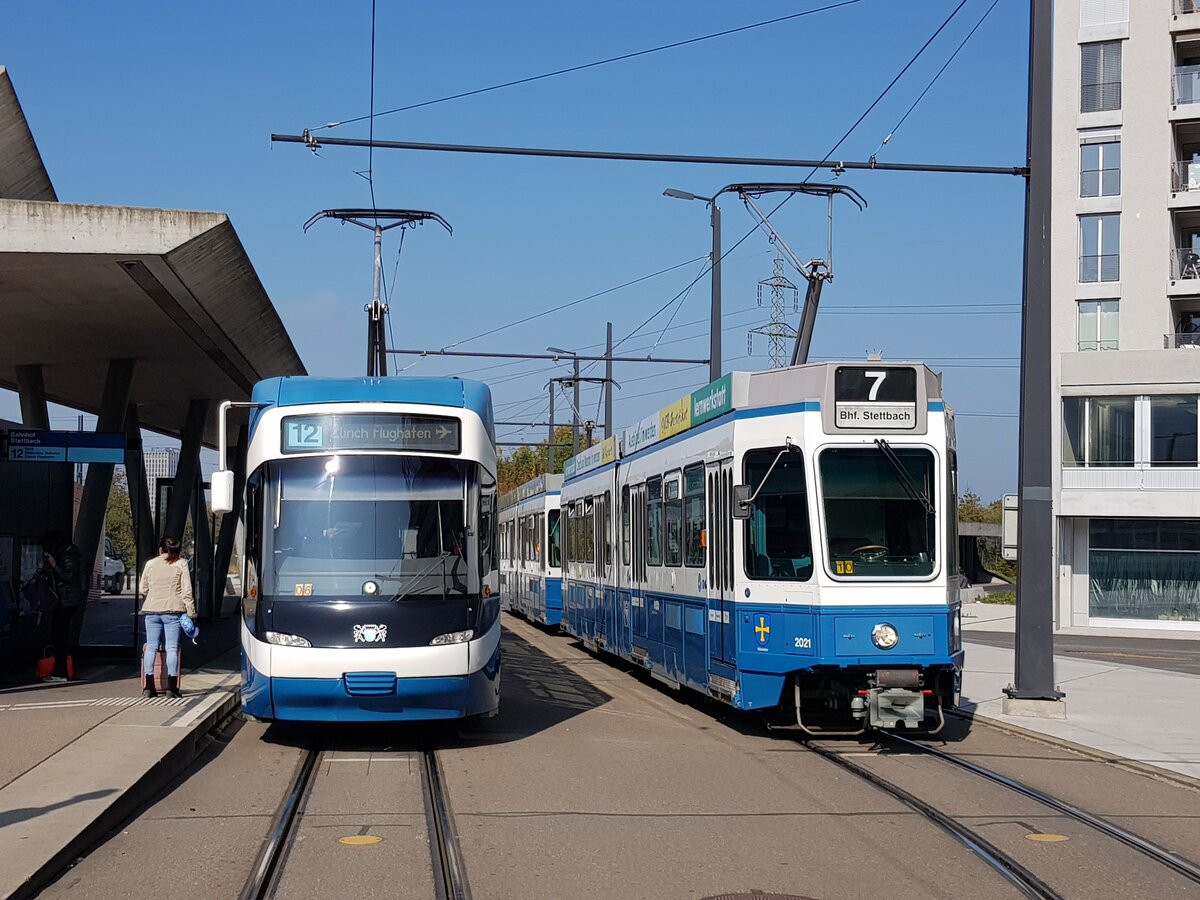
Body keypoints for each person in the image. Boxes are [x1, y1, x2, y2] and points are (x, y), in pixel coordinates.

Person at [139, 536, 197, 699]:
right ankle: (172, 687)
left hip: (151, 610)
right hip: (173, 611)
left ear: (160, 549)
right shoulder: (181, 564)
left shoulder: (150, 564)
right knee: (171, 648)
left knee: (151, 647)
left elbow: (143, 588)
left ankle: (148, 687)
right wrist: (191, 613)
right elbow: (187, 592)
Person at [41, 530, 84, 683]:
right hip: (66, 599)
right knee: (59, 635)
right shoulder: (68, 553)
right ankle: (61, 670)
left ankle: (61, 672)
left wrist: (54, 566)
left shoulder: (68, 555)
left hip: (66, 600)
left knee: (60, 635)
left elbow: (69, 576)